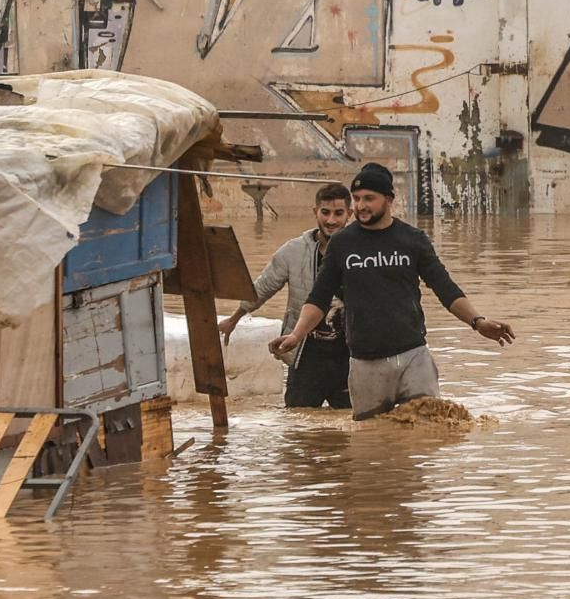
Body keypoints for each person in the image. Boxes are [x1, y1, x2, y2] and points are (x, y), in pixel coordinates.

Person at [269, 162, 514, 420]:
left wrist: (478, 322)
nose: (361, 205)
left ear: (389, 200)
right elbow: (318, 298)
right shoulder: (342, 243)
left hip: (413, 356)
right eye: (358, 198)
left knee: (429, 428)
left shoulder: (412, 240)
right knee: (372, 443)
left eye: (369, 199)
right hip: (365, 363)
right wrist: (296, 335)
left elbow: (445, 288)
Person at [219, 182, 353, 409]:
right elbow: (263, 287)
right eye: (325, 212)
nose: (331, 220)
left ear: (349, 214)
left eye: (338, 213)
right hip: (305, 351)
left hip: (349, 352)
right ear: (315, 212)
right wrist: (234, 318)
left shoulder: (360, 252)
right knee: (298, 424)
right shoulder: (294, 251)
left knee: (355, 425)